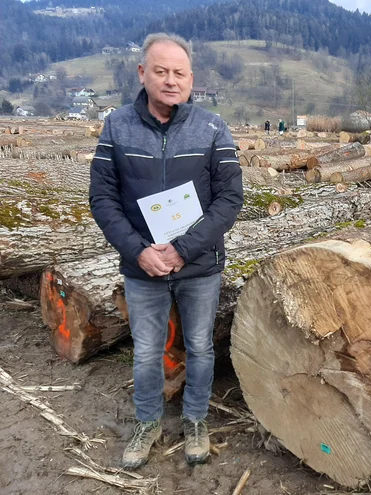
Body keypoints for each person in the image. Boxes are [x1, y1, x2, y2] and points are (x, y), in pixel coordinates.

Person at [89, 33, 243, 470]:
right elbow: (102, 199)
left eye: (179, 73)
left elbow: (229, 200)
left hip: (198, 267)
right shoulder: (117, 126)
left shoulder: (212, 128)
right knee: (145, 349)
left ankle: (195, 419)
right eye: (161, 71)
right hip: (143, 268)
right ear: (143, 73)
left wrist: (181, 250)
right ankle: (147, 421)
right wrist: (139, 252)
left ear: (191, 79)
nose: (170, 80)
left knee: (198, 346)